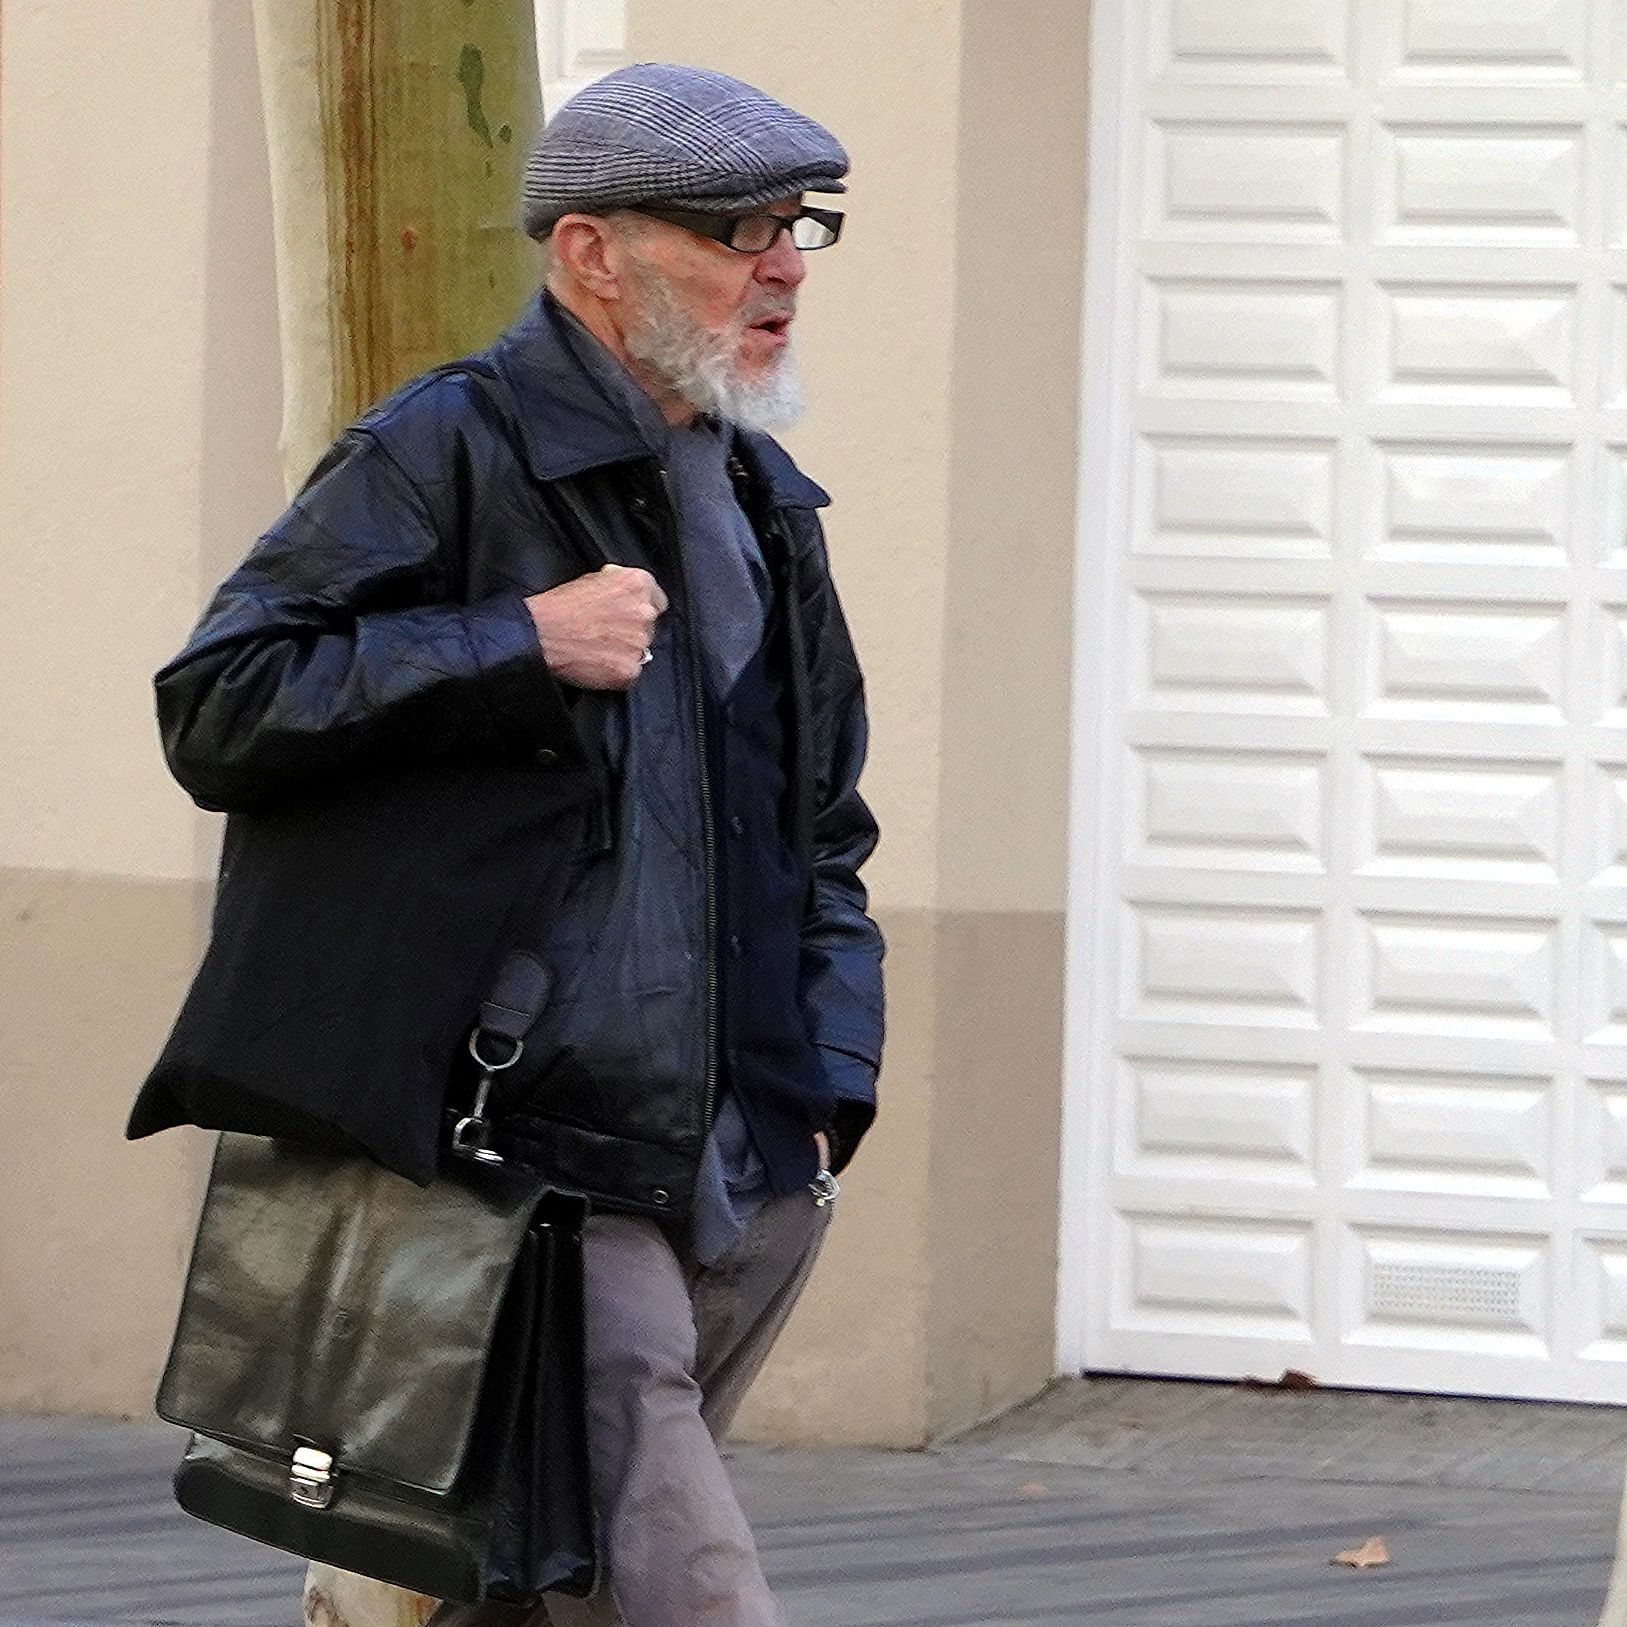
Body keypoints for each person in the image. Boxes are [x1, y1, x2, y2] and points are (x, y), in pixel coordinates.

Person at [127, 62, 884, 1627]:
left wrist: (830, 1082)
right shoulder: (448, 446)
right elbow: (221, 704)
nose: (785, 268)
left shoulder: (762, 495)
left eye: (798, 227)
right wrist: (513, 640)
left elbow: (823, 821)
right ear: (593, 253)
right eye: (738, 230)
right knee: (686, 1592)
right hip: (532, 1164)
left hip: (749, 1156)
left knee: (540, 1588)